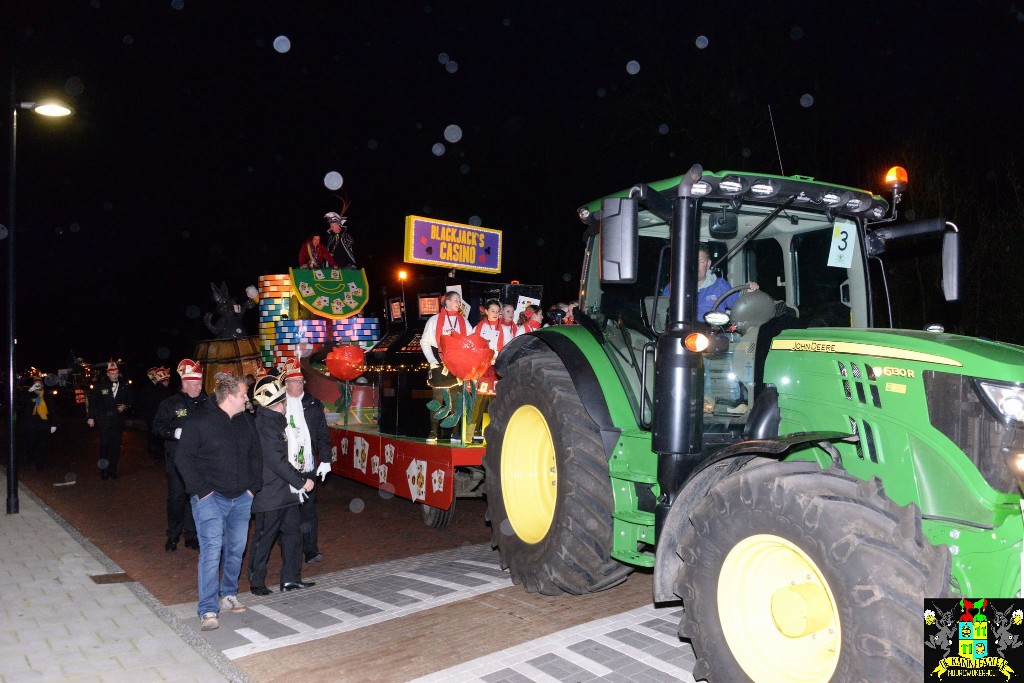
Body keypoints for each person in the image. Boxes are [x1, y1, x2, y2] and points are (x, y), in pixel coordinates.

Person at [175, 373, 263, 631]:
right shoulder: (199, 422)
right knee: (212, 552)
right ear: (230, 397)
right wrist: (202, 491)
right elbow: (184, 459)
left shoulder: (246, 421)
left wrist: (252, 488)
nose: (247, 398)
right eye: (244, 394)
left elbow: (256, 455)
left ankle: (228, 593)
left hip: (241, 498)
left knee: (236, 548)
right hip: (211, 499)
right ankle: (207, 609)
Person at [248, 374, 316, 594]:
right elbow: (276, 462)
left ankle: (290, 578)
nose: (286, 406)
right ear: (278, 405)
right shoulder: (265, 426)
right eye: (284, 402)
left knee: (293, 535)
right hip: (270, 495)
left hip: (284, 492)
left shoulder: (273, 423)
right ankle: (256, 581)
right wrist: (301, 481)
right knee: (264, 539)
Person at [152, 359, 207, 553]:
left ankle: (192, 535)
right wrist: (174, 433)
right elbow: (157, 427)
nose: (200, 388)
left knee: (197, 497)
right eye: (196, 384)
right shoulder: (170, 403)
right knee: (177, 497)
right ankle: (173, 535)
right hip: (176, 459)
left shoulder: (205, 402)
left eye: (201, 384)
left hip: (199, 460)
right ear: (185, 384)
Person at [281, 361, 333, 564]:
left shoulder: (313, 403)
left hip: (307, 465)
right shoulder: (280, 404)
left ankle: (310, 549)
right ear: (286, 384)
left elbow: (322, 434)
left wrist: (326, 459)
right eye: (295, 381)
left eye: (301, 381)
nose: (299, 385)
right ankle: (289, 548)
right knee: (288, 510)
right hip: (286, 467)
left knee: (309, 511)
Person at [419, 291, 472, 443]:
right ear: (447, 301)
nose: (459, 302)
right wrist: (431, 360)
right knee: (438, 399)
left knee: (457, 399)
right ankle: (433, 431)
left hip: (457, 365)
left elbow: (470, 341)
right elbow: (424, 342)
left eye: (459, 300)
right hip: (439, 363)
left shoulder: (464, 321)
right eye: (456, 299)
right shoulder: (435, 320)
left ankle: (455, 433)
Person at [661, 243, 759, 320]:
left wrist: (747, 291)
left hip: (712, 337)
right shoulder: (673, 287)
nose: (695, 266)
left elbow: (738, 302)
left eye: (700, 262)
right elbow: (661, 313)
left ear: (708, 264)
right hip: (682, 336)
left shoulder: (720, 286)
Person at [470, 299, 514, 443]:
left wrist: (497, 358)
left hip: (497, 369)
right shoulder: (478, 328)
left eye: (497, 311)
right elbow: (471, 347)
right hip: (481, 369)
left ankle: (492, 436)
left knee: (495, 403)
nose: (495, 314)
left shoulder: (505, 330)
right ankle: (471, 433)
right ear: (486, 312)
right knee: (477, 402)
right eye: (493, 311)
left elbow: (508, 349)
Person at [87, 359, 133, 480]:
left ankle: (112, 470)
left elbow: (130, 401)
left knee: (116, 447)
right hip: (104, 421)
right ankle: (103, 471)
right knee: (104, 445)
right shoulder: (101, 386)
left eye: (116, 373)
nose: (114, 375)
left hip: (118, 422)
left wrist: (125, 406)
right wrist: (91, 417)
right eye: (112, 373)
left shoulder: (124, 386)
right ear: (108, 374)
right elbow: (93, 403)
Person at [19, 379, 57, 470]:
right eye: (35, 385)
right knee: (30, 445)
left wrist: (54, 424)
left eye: (39, 385)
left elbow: (52, 410)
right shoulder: (29, 394)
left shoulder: (47, 396)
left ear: (43, 386)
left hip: (44, 425)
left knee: (42, 446)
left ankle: (40, 464)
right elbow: (20, 402)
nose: (37, 386)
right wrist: (29, 391)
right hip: (31, 425)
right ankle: (28, 462)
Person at [139, 367, 174, 462]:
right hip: (156, 416)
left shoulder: (156, 389)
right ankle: (158, 454)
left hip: (153, 416)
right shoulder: (163, 391)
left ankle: (156, 454)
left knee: (155, 435)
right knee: (157, 436)